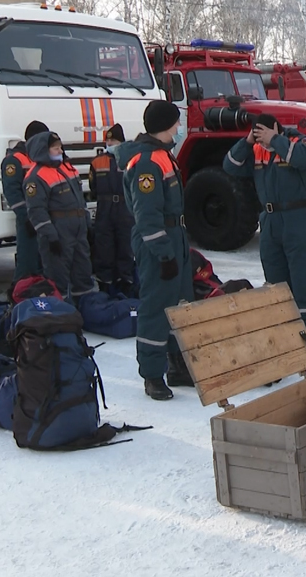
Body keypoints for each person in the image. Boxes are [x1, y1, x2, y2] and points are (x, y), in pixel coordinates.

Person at [224, 113, 306, 338]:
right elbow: (230, 166)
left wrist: (276, 140)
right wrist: (248, 141)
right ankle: (284, 334)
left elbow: (303, 159)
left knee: (304, 280)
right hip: (270, 220)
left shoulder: (300, 143)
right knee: (275, 281)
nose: (262, 144)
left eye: (264, 137)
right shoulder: (257, 149)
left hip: (298, 217)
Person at [120, 100, 193, 400]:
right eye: (175, 122)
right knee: (155, 307)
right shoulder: (148, 162)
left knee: (180, 303)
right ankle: (152, 374)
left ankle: (177, 365)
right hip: (159, 240)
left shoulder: (163, 156)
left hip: (175, 235)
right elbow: (148, 215)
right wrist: (163, 254)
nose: (179, 126)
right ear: (165, 125)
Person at [24, 131, 95, 302]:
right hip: (58, 229)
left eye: (60, 148)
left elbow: (80, 199)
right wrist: (50, 236)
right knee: (58, 276)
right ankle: (60, 314)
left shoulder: (67, 168)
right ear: (44, 150)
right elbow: (36, 210)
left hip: (77, 227)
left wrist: (87, 224)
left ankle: (86, 310)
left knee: (83, 272)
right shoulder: (36, 176)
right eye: (55, 148)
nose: (60, 151)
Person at [89, 123, 135, 295]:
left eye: (114, 141)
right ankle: (105, 286)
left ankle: (126, 284)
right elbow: (94, 187)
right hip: (105, 209)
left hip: (125, 208)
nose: (110, 145)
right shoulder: (97, 162)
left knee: (125, 247)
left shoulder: (130, 160)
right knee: (104, 248)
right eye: (108, 142)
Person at [0, 120, 48, 281]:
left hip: (44, 218)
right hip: (28, 219)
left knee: (43, 264)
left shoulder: (38, 157)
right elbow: (12, 192)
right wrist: (25, 217)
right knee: (28, 264)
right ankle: (20, 298)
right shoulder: (15, 160)